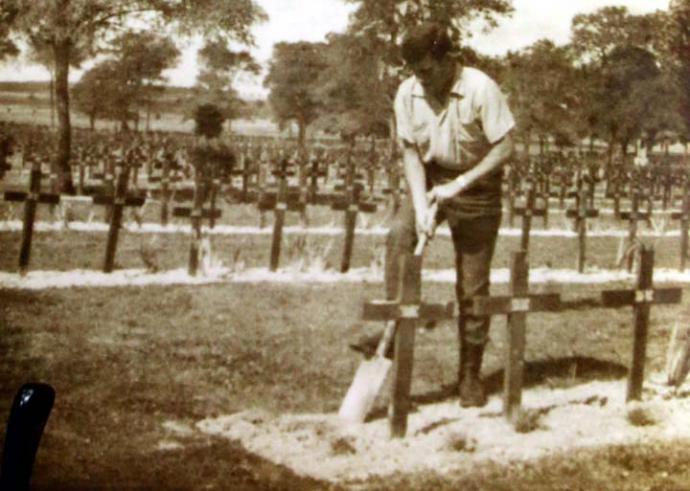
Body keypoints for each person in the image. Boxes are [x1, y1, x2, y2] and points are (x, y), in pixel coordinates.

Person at [350, 22, 515, 408]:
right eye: (413, 70)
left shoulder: (480, 88)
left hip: (478, 186)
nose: (419, 78)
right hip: (430, 176)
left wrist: (460, 186)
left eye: (426, 69)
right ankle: (398, 320)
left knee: (472, 287)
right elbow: (410, 151)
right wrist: (423, 206)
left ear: (448, 60)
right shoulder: (408, 93)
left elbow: (506, 147)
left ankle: (470, 374)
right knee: (400, 234)